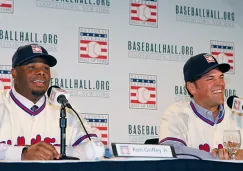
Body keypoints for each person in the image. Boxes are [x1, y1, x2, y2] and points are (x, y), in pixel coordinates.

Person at [0, 43, 102, 160]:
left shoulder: (65, 109)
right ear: (14, 73)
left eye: (45, 68)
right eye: (32, 67)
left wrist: (58, 152)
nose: (41, 72)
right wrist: (21, 154)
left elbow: (95, 148)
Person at [159, 53, 243, 160]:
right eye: (210, 78)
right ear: (192, 87)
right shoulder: (177, 113)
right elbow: (172, 150)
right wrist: (221, 158)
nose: (220, 83)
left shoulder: (238, 113)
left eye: (221, 77)